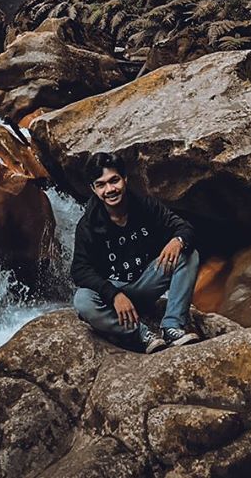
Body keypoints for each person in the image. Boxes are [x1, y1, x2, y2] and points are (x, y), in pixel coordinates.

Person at [71, 151, 201, 353]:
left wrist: (178, 240)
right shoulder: (88, 225)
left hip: (146, 283)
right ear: (93, 189)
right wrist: (114, 295)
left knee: (187, 254)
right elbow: (79, 270)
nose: (110, 189)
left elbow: (185, 228)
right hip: (113, 293)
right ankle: (141, 334)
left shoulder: (146, 205)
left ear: (125, 179)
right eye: (101, 184)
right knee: (83, 301)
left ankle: (172, 327)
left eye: (114, 180)